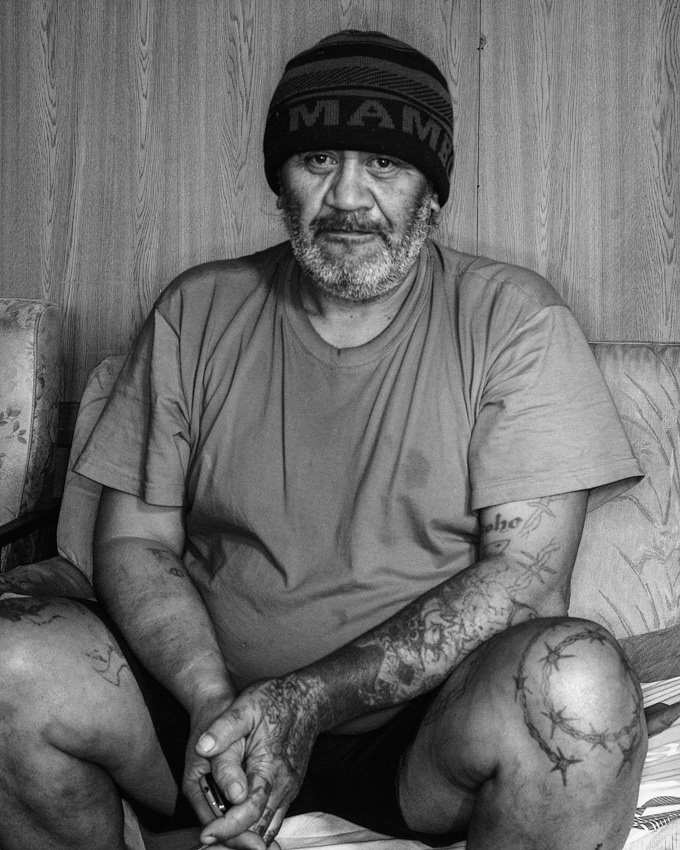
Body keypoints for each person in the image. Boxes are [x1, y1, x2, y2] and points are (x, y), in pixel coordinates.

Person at [0, 30, 647, 850]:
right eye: (317, 161)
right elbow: (135, 541)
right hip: (207, 722)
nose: (347, 197)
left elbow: (523, 579)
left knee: (581, 688)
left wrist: (306, 699)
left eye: (383, 164)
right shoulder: (197, 310)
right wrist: (210, 700)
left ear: (431, 189)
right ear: (281, 180)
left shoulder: (515, 320)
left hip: (416, 739)